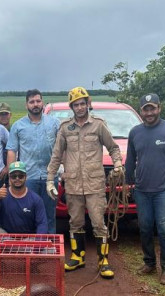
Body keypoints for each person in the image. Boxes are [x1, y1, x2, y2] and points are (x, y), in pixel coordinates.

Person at [46, 87, 123, 279]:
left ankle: (103, 260)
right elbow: (56, 156)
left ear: (88, 103)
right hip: (73, 184)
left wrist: (118, 164)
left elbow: (113, 148)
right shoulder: (65, 128)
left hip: (95, 184)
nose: (80, 107)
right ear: (71, 107)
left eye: (82, 103)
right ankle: (78, 257)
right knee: (75, 222)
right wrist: (50, 179)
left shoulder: (98, 125)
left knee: (98, 223)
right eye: (76, 104)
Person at [124, 93, 165, 285]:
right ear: (141, 111)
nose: (149, 112)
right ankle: (149, 262)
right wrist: (128, 182)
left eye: (153, 108)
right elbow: (130, 161)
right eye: (146, 109)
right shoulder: (135, 132)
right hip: (141, 189)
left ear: (159, 108)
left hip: (163, 190)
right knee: (144, 227)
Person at [6, 89, 60, 233]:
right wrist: (11, 176)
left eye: (38, 101)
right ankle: (30, 249)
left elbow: (62, 149)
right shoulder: (18, 126)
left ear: (42, 103)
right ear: (26, 105)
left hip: (50, 177)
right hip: (28, 178)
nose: (35, 104)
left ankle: (50, 248)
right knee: (27, 214)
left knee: (49, 215)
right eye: (32, 102)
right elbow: (12, 150)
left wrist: (64, 170)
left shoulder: (54, 123)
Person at [0, 161, 47, 234]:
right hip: (6, 237)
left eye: (20, 176)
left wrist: (38, 243)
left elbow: (42, 224)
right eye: (14, 176)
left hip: (29, 239)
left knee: (48, 243)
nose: (17, 179)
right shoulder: (1, 195)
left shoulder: (36, 199)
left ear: (26, 177)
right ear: (9, 178)